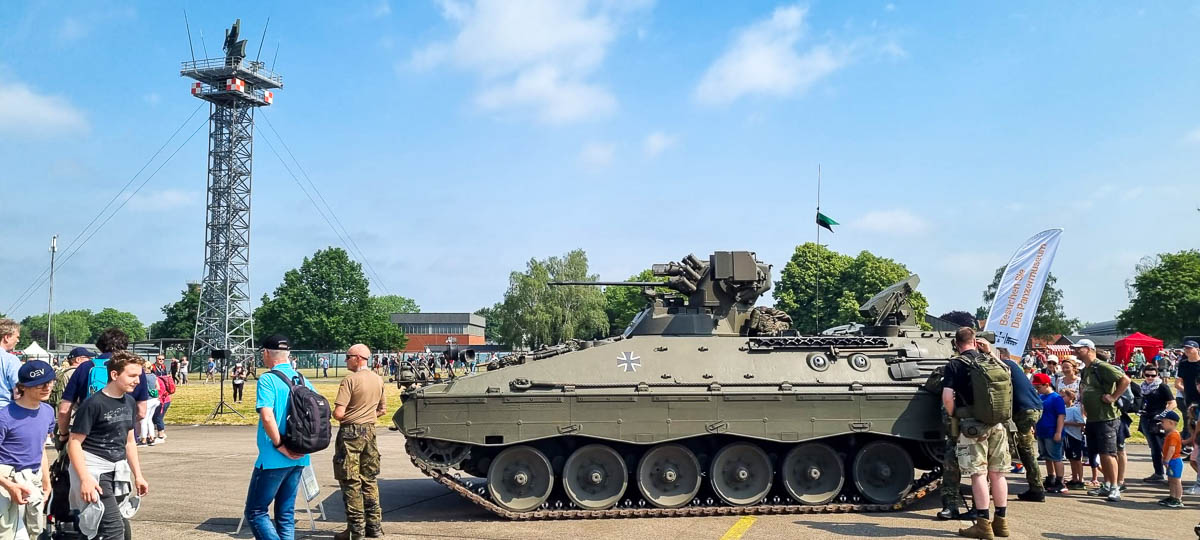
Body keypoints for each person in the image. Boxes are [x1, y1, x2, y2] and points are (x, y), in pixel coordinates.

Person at [66, 351, 150, 540]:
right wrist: (85, 479)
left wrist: (138, 476)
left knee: (107, 526)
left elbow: (129, 441)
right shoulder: (93, 404)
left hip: (117, 469)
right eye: (132, 375)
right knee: (113, 529)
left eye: (139, 376)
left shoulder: (129, 402)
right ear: (114, 374)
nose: (137, 381)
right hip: (94, 470)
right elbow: (74, 443)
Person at [244, 334, 314, 540]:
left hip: (273, 457)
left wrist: (280, 444)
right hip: (300, 455)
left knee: (256, 511)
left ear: (266, 353)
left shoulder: (268, 379)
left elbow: (267, 416)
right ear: (288, 354)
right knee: (285, 513)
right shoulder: (303, 379)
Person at [942, 328, 1010, 539]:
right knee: (998, 473)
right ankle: (1001, 522)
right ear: (975, 341)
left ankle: (982, 524)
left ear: (956, 343)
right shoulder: (989, 359)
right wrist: (990, 352)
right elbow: (1008, 375)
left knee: (978, 473)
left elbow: (947, 397)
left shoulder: (955, 364)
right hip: (997, 423)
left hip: (972, 426)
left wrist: (954, 414)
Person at [332, 344, 386, 540]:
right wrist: (366, 416)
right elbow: (382, 410)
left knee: (350, 480)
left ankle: (356, 531)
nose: (346, 360)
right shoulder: (378, 379)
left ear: (358, 358)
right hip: (370, 431)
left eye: (348, 356)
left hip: (350, 433)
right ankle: (374, 527)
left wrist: (350, 417)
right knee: (369, 479)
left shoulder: (350, 380)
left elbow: (339, 413)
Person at [0, 360, 57, 539]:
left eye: (49, 381)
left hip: (33, 479)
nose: (47, 387)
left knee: (35, 530)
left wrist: (46, 483)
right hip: (5, 480)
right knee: (6, 533)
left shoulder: (48, 412)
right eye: (40, 384)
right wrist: (9, 486)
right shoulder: (5, 417)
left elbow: (41, 449)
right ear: (23, 386)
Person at [1075, 338, 1131, 502]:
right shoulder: (1087, 369)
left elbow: (1125, 380)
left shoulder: (1101, 366)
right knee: (1101, 453)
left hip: (1106, 417)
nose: (1075, 351)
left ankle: (1114, 487)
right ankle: (1106, 484)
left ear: (1089, 349)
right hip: (1094, 418)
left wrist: (1113, 397)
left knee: (1108, 453)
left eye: (1079, 348)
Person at [55, 329, 130, 448]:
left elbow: (64, 409)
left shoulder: (85, 367)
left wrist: (63, 434)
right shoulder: (132, 369)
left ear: (100, 346)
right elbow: (141, 411)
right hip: (121, 437)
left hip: (87, 435)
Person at [1000, 349, 1043, 502]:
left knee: (1026, 451)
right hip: (1033, 408)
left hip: (1024, 411)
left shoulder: (1003, 365)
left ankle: (1037, 488)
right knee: (1025, 450)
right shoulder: (1013, 366)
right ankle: (1036, 487)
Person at [1140, 364, 1177, 483]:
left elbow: (1173, 403)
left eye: (1153, 375)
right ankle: (1159, 473)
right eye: (1147, 375)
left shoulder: (1162, 386)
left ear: (1157, 375)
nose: (1150, 378)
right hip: (1146, 419)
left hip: (1158, 421)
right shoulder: (1142, 387)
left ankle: (1172, 475)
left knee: (1162, 447)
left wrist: (1162, 415)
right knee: (1154, 448)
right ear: (1143, 374)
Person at [1031, 373, 1066, 494]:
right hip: (1042, 431)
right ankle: (1051, 477)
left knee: (1056, 457)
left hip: (1052, 431)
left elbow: (1061, 416)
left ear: (1046, 385)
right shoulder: (1040, 397)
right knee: (1047, 457)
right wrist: (1035, 428)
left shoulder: (1056, 398)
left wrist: (1058, 432)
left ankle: (1060, 482)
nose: (1037, 389)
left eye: (1039, 387)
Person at [1158, 410, 1185, 508]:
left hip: (1174, 461)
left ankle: (1178, 498)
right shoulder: (1170, 434)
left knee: (1176, 481)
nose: (1161, 424)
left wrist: (1167, 460)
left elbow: (1172, 449)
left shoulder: (1174, 435)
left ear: (1171, 423)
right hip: (1171, 461)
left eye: (1163, 422)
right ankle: (1172, 496)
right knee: (1171, 480)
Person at [1061, 389, 1086, 490]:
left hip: (1075, 437)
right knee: (1071, 458)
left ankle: (1080, 480)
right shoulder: (1063, 409)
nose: (1062, 398)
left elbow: (1081, 423)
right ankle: (1074, 478)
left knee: (1077, 459)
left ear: (1071, 397)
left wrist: (1066, 423)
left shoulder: (1075, 409)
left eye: (1064, 396)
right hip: (1066, 436)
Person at [137, 358, 161, 446]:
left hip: (147, 399)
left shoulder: (142, 377)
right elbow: (158, 387)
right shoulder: (154, 376)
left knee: (143, 420)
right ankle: (151, 437)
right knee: (149, 419)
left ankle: (143, 439)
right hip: (155, 399)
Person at [0, 320, 21, 409]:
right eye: (17, 337)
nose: (18, 341)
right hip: (4, 410)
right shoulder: (11, 360)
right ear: (7, 337)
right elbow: (19, 392)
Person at [152, 364, 175, 444]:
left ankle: (161, 435)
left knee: (158, 418)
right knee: (156, 418)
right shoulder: (160, 379)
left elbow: (160, 392)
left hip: (163, 401)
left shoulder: (157, 380)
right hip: (165, 400)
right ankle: (161, 433)